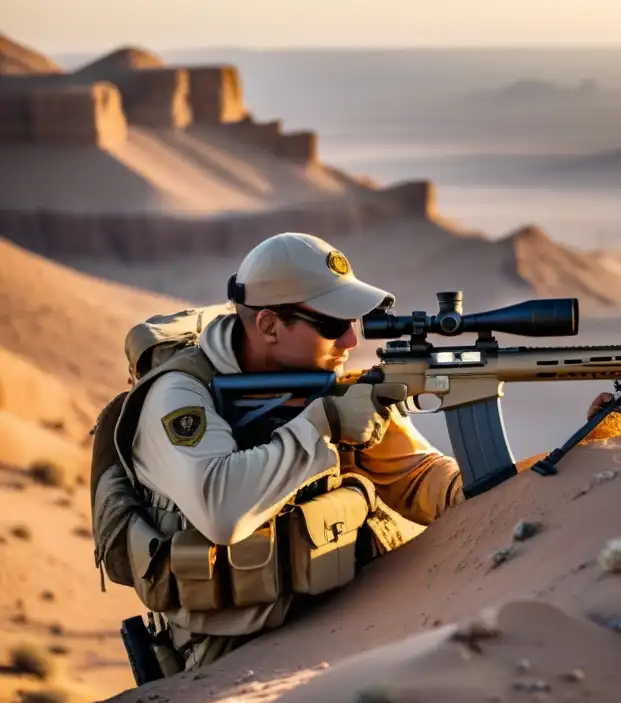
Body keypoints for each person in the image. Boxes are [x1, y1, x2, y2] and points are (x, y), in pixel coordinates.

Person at [120, 232, 465, 670]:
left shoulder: (322, 384)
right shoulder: (180, 395)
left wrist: (549, 468)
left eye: (354, 323)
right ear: (267, 325)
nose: (350, 342)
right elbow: (222, 510)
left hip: (344, 621)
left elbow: (423, 480)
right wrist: (324, 425)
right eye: (332, 325)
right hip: (229, 661)